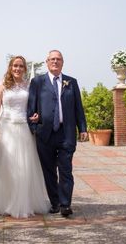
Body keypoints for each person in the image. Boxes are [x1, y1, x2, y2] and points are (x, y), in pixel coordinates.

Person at [0, 55, 50, 218]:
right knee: (6, 165)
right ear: (10, 68)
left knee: (25, 166)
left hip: (24, 129)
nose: (17, 69)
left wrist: (36, 116)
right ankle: (4, 201)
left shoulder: (29, 85)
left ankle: (25, 202)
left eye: (21, 66)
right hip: (6, 128)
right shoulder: (2, 85)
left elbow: (34, 107)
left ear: (25, 69)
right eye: (15, 66)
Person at [27, 49, 87, 217]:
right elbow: (31, 108)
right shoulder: (37, 82)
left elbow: (78, 108)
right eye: (52, 59)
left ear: (63, 62)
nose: (55, 61)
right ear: (47, 62)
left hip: (66, 134)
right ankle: (55, 203)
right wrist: (34, 129)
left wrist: (82, 128)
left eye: (58, 59)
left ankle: (65, 204)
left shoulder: (71, 82)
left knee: (66, 169)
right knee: (49, 171)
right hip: (44, 134)